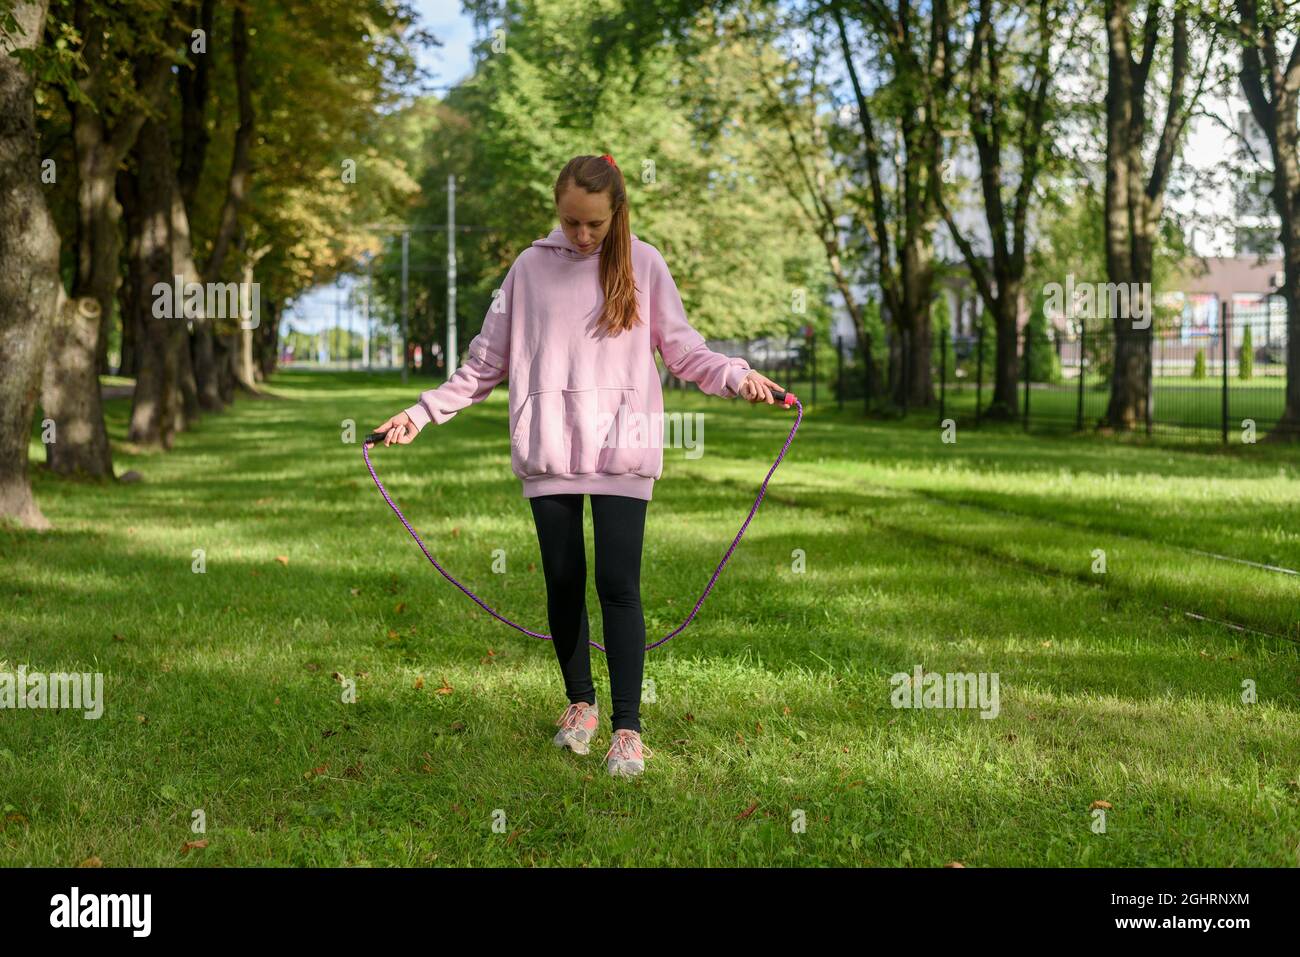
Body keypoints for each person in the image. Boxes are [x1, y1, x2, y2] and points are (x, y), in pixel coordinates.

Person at [372, 153, 783, 777]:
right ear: (557, 212)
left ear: (616, 213)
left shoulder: (643, 263)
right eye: (571, 223)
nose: (583, 235)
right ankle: (579, 705)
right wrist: (421, 412)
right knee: (563, 583)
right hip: (551, 448)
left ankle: (627, 728)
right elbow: (486, 362)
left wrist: (736, 374)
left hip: (624, 444)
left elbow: (684, 350)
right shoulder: (529, 269)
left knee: (619, 586)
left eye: (594, 224)